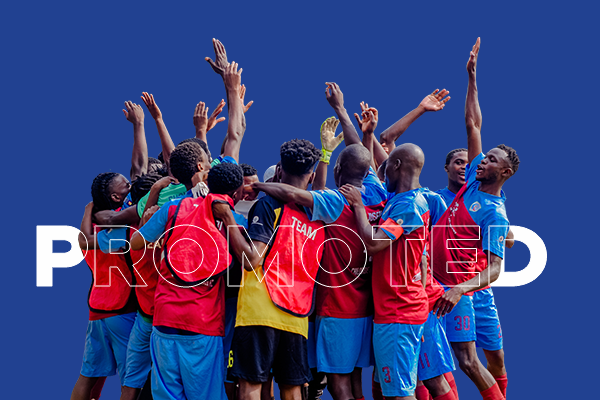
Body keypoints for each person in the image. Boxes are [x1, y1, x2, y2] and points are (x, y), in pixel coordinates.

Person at [431, 38, 519, 400]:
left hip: (466, 288)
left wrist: (460, 288)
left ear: (506, 172)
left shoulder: (494, 212)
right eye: (485, 157)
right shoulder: (471, 181)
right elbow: (473, 122)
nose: (481, 161)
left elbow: (496, 269)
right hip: (446, 287)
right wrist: (471, 77)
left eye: (491, 160)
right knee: (456, 361)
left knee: (490, 359)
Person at [130, 149, 245, 400]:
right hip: (203, 323)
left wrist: (153, 225)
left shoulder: (172, 208)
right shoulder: (232, 218)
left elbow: (136, 242)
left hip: (165, 319)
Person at [227, 139, 324, 400]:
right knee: (292, 389)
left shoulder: (268, 204)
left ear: (279, 170)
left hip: (259, 310)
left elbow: (252, 259)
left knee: (250, 386)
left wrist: (228, 220)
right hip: (298, 314)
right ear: (312, 175)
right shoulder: (319, 214)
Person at [339, 142, 430, 400]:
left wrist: (358, 206)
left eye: (385, 167)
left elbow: (373, 243)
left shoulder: (409, 206)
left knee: (400, 394)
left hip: (399, 312)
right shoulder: (398, 200)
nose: (381, 173)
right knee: (387, 390)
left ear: (396, 165)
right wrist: (365, 133)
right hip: (395, 310)